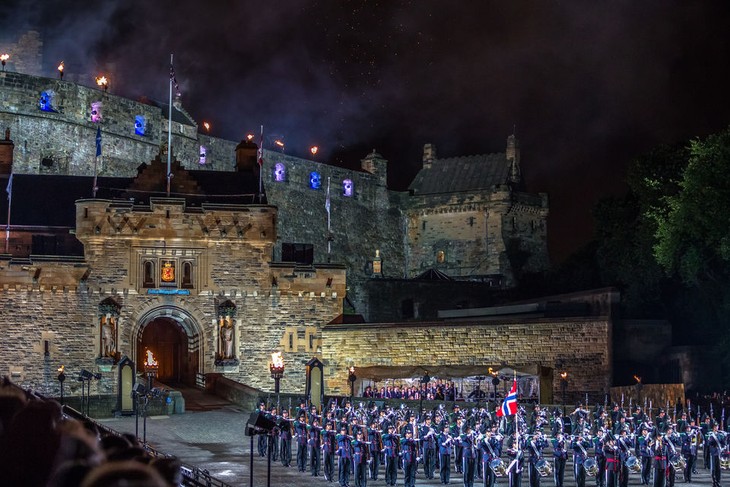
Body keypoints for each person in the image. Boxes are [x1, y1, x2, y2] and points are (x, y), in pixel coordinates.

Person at [421, 415, 437, 479]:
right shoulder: (423, 428)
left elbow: (437, 437)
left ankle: (431, 474)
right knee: (426, 461)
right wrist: (427, 435)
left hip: (432, 445)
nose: (429, 421)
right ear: (425, 421)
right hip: (426, 445)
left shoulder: (433, 427)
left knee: (433, 461)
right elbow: (421, 437)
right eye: (427, 420)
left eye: (429, 420)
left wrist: (434, 433)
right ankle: (427, 474)